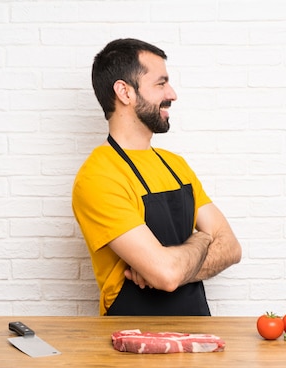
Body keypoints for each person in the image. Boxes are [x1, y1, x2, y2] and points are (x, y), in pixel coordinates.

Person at [72, 38, 241, 316]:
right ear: (124, 92)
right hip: (132, 344)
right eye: (161, 84)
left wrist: (172, 267)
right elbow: (166, 274)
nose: (172, 94)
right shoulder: (98, 176)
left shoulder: (176, 165)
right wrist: (200, 240)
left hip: (200, 340)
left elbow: (231, 248)